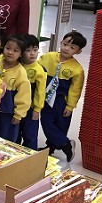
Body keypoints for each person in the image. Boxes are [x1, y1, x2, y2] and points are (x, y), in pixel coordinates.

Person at [38, 31, 87, 162]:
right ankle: (65, 144)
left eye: (72, 47)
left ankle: (51, 147)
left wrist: (70, 106)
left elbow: (75, 89)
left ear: (78, 51)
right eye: (65, 44)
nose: (66, 48)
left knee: (61, 124)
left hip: (62, 100)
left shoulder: (77, 69)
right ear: (61, 42)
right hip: (47, 97)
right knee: (47, 121)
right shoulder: (47, 57)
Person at [0, 36, 31, 142]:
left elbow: (24, 96)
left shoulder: (20, 72)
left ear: (21, 54)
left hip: (9, 114)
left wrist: (18, 114)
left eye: (15, 50)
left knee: (6, 140)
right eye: (8, 48)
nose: (10, 52)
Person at [18, 34, 47, 150]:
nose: (32, 53)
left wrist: (37, 109)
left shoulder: (39, 70)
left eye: (35, 50)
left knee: (30, 135)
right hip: (17, 107)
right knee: (15, 134)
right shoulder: (17, 66)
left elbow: (40, 92)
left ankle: (31, 156)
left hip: (31, 109)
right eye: (28, 50)